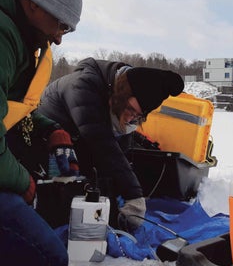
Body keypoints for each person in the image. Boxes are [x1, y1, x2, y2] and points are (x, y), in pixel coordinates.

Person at [0, 0, 82, 266]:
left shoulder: (23, 34)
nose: (60, 39)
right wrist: (22, 182)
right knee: (48, 261)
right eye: (61, 23)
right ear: (33, 1)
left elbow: (16, 105)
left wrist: (51, 130)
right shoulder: (4, 35)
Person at [37, 58, 185, 232]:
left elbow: (117, 159)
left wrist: (116, 209)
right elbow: (102, 144)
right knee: (58, 212)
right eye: (130, 109)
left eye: (138, 115)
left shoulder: (121, 112)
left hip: (79, 143)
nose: (130, 118)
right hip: (45, 148)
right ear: (121, 93)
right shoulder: (82, 86)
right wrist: (134, 196)